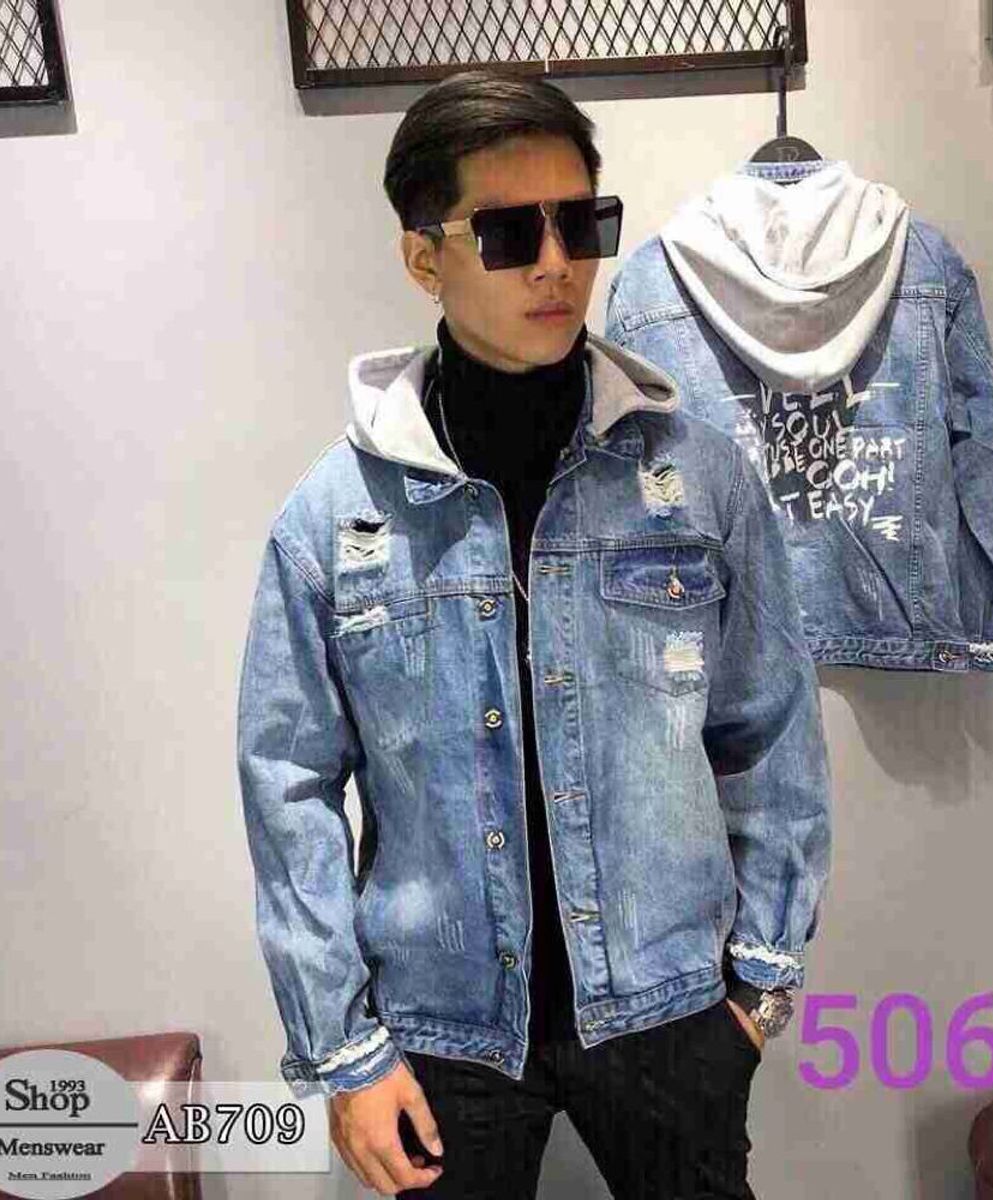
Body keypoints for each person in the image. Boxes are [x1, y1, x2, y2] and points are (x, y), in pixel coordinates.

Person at [236, 67, 831, 1199]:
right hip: (439, 1035)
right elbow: (289, 786)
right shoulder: (334, 524)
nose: (558, 262)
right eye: (511, 232)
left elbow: (771, 734)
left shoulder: (700, 481)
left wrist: (757, 991)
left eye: (581, 222)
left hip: (672, 1012)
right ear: (424, 257)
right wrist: (346, 1053)